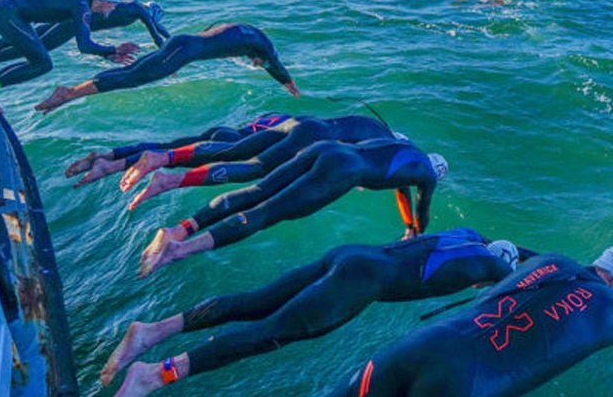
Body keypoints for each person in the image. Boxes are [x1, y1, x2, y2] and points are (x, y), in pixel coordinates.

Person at [102, 229, 526, 396]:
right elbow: (505, 295)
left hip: (354, 255)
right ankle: (154, 374)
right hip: (359, 286)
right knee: (265, 334)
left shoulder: (468, 239)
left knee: (256, 301)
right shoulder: (494, 268)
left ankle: (154, 331)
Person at [329, 246, 613, 396]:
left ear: (598, 263)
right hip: (461, 386)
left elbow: (505, 253)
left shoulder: (550, 259)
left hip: (417, 347)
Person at [138, 138, 448, 278]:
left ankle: (176, 231)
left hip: (327, 148)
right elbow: (422, 208)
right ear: (437, 172)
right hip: (343, 171)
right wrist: (417, 232)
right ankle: (179, 251)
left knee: (258, 191)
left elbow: (401, 189)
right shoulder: (428, 176)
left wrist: (407, 226)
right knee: (268, 212)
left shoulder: (407, 150)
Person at [118, 115, 399, 210]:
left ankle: (162, 157)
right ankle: (170, 179)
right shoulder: (384, 149)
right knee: (254, 168)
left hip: (300, 122)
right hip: (313, 136)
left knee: (234, 149)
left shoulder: (374, 127)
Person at [34, 23, 300, 114]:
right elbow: (275, 65)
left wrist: (173, 62)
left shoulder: (247, 32)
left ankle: (69, 92)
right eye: (257, 61)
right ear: (260, 54)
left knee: (132, 73)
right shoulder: (265, 47)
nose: (256, 63)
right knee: (132, 79)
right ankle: (68, 93)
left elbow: (208, 40)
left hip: (180, 44)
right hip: (182, 52)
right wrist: (289, 85)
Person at [0, 0, 140, 113]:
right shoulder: (82, 8)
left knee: (36, 53)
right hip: (6, 11)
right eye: (112, 4)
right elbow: (85, 46)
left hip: (5, 9)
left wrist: (108, 54)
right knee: (42, 63)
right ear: (102, 2)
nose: (114, 8)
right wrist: (114, 49)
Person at [62, 113, 293, 187]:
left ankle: (106, 156)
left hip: (223, 131)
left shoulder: (277, 118)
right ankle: (109, 167)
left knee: (163, 148)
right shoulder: (295, 132)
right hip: (231, 143)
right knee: (172, 159)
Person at [0, 0, 170, 75]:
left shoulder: (131, 11)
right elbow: (156, 33)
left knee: (33, 39)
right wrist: (167, 54)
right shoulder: (136, 7)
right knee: (40, 48)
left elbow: (157, 28)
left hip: (73, 23)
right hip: (73, 24)